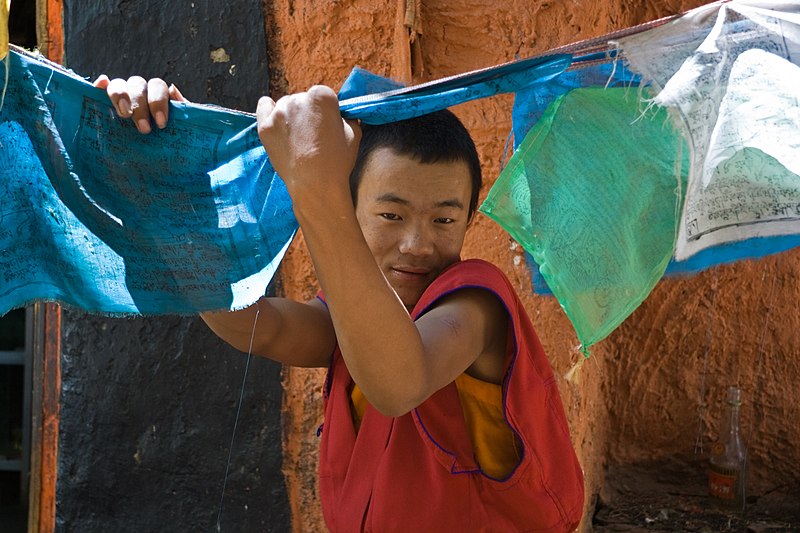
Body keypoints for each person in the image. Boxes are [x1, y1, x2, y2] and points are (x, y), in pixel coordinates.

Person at [97, 76, 585, 532]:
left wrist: (315, 188)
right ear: (352, 207)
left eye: (443, 221)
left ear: (468, 219)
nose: (417, 243)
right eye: (391, 214)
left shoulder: (477, 304)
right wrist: (175, 189)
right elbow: (259, 327)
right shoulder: (350, 315)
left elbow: (399, 382)